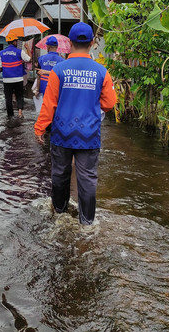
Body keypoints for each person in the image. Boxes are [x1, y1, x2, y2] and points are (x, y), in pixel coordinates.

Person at [34, 22, 117, 225]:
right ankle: (87, 223)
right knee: (87, 179)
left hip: (62, 134)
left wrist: (40, 128)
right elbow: (109, 103)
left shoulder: (59, 71)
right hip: (89, 136)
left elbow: (49, 104)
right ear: (91, 43)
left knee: (60, 175)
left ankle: (60, 215)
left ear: (70, 43)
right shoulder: (101, 71)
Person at [0, 33, 31, 119]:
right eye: (16, 41)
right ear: (14, 42)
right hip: (18, 79)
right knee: (19, 96)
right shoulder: (19, 51)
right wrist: (28, 48)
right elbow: (29, 59)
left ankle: (10, 116)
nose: (17, 42)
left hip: (7, 80)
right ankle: (20, 113)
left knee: (8, 98)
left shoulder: (1, 53)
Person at [33, 36, 65, 112]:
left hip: (43, 87)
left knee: (45, 110)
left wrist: (37, 89)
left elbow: (39, 75)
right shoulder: (62, 61)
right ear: (57, 47)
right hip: (57, 88)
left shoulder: (41, 59)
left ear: (48, 46)